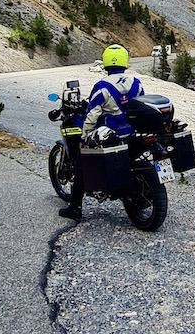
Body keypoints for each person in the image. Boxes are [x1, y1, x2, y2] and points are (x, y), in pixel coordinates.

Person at [59, 44, 145, 220]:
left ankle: (75, 208)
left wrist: (84, 137)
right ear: (125, 61)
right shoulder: (136, 82)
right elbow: (141, 105)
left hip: (111, 133)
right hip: (132, 132)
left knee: (81, 161)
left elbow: (92, 114)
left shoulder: (102, 86)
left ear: (106, 62)